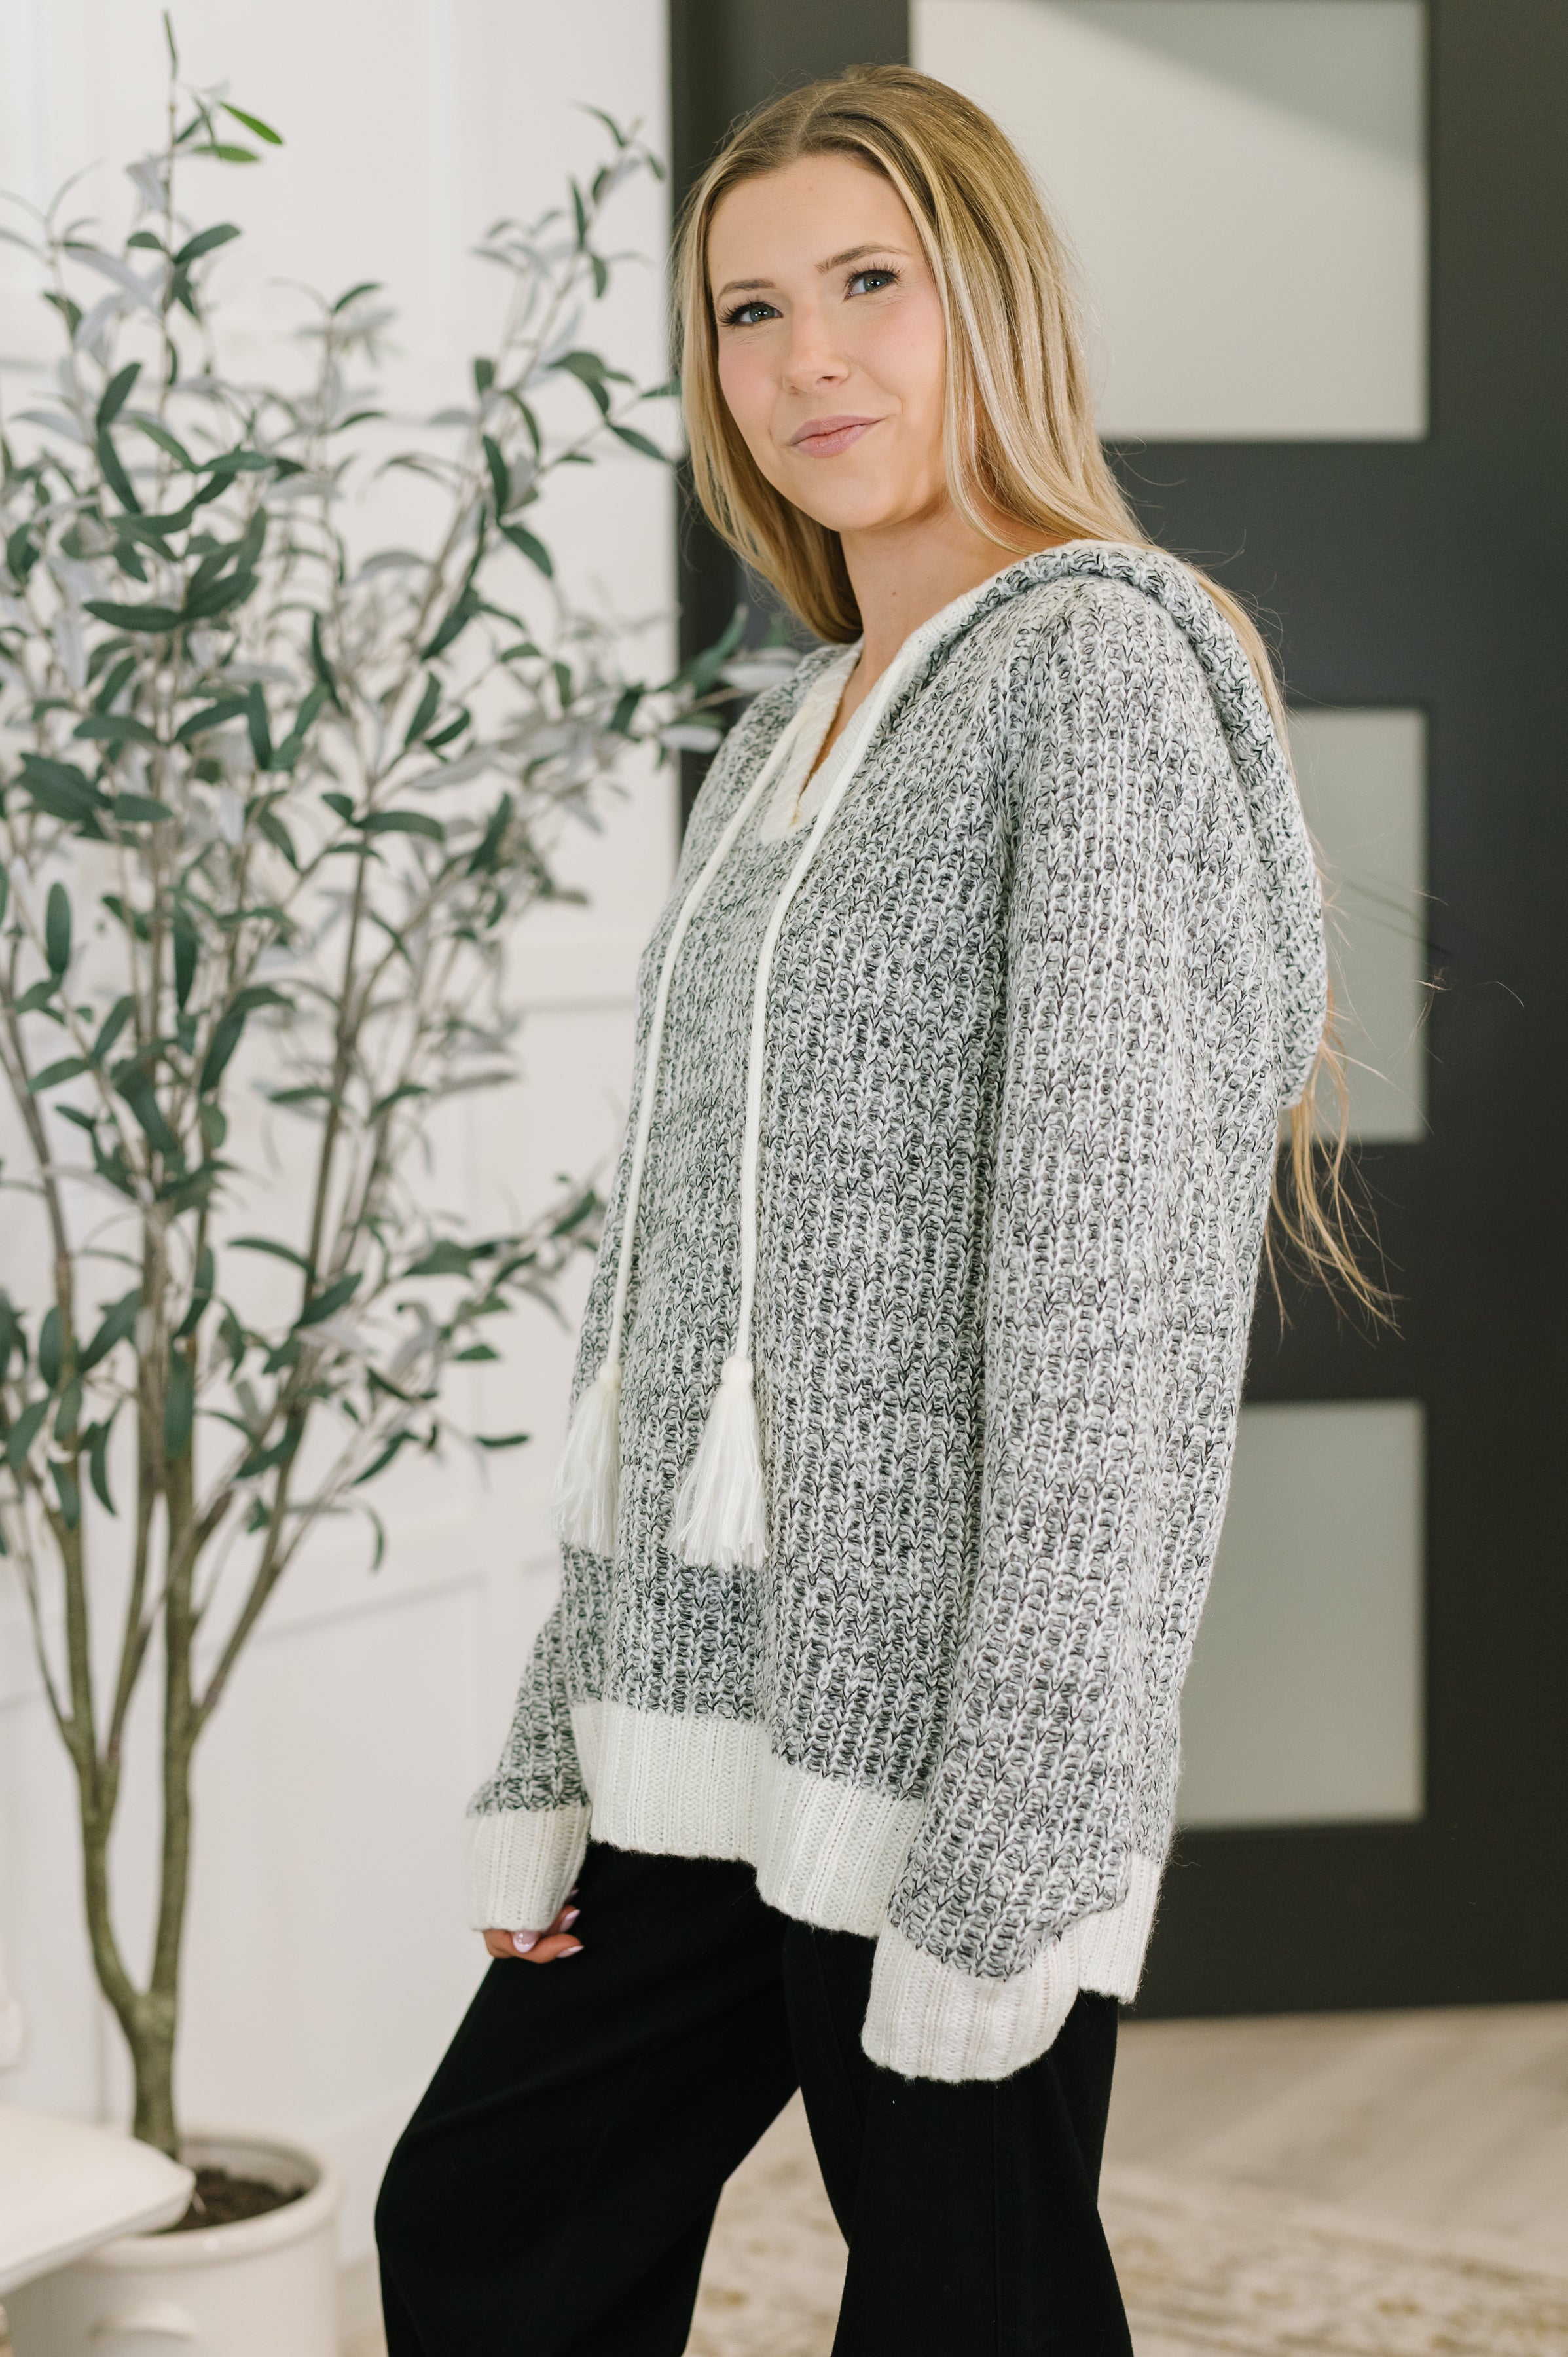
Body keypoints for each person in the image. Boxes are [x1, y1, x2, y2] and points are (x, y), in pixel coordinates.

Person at [376, 62, 1365, 2355]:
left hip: (944, 1754)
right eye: (749, 311)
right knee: (492, 2223)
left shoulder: (1098, 673)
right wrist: (555, 1742)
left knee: (964, 2308)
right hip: (691, 1719)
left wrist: (1018, 1835)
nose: (805, 358)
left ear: (987, 303)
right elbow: (665, 1299)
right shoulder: (782, 728)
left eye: (866, 285)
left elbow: (1109, 1323)